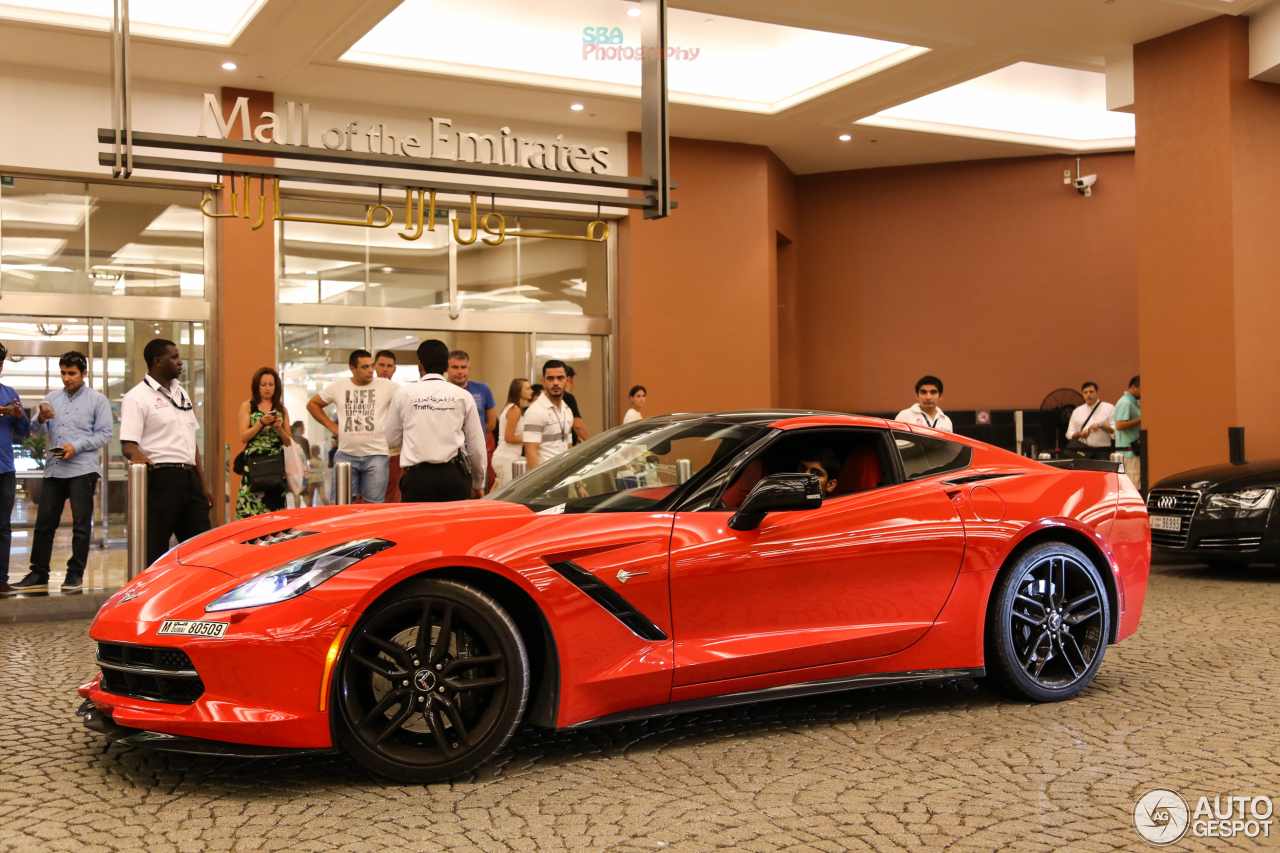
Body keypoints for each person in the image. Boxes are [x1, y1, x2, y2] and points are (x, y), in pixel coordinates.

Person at [7, 352, 112, 594]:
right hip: (54, 470)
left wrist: (76, 447)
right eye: (63, 373)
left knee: (81, 526)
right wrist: (41, 419)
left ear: (84, 373)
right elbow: (34, 431)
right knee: (44, 524)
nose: (67, 378)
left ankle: (74, 574)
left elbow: (105, 434)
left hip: (82, 471)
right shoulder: (52, 398)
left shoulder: (98, 400)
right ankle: (38, 573)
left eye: (72, 373)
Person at [120, 338, 212, 566]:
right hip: (161, 478)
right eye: (174, 357)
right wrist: (140, 459)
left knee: (202, 547)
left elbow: (192, 442)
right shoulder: (137, 396)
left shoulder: (181, 393)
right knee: (155, 547)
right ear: (158, 362)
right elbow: (128, 445)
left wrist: (202, 484)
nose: (181, 362)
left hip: (189, 479)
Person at [386, 340, 486, 502]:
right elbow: (477, 446)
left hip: (417, 478)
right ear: (446, 366)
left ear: (420, 364)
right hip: (454, 476)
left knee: (419, 527)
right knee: (454, 527)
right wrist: (478, 483)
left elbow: (391, 438)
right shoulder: (463, 396)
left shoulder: (403, 394)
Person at [307, 349, 398, 503]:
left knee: (373, 507)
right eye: (365, 367)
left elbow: (409, 402)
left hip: (376, 454)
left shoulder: (387, 386)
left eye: (371, 366)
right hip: (346, 454)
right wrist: (331, 426)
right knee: (340, 505)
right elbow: (313, 404)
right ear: (352, 368)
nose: (371, 370)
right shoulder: (338, 386)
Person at [236, 367, 292, 519]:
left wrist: (279, 428)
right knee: (250, 511)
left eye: (271, 384)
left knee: (275, 513)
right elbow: (243, 437)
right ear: (257, 386)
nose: (267, 388)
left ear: (276, 387)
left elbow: (289, 442)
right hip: (254, 464)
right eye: (263, 384)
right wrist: (261, 422)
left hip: (275, 465)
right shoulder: (248, 406)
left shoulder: (281, 409)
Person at [0, 343, 32, 595]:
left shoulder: (9, 393)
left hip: (4, 470)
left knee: (3, 526)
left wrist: (19, 415)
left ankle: (0, 579)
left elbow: (24, 432)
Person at [524, 361, 574, 469]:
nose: (556, 383)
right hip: (545, 480)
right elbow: (530, 452)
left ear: (567, 380)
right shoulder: (535, 411)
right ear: (543, 382)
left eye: (560, 378)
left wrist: (579, 484)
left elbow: (569, 449)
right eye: (550, 378)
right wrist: (539, 484)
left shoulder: (567, 410)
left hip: (564, 478)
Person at [374, 350, 404, 502]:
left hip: (393, 452)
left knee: (392, 497)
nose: (385, 369)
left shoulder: (400, 392)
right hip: (368, 451)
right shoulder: (366, 390)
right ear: (374, 366)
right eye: (381, 365)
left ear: (394, 369)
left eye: (389, 365)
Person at [492, 378, 532, 489]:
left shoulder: (513, 408)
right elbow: (509, 438)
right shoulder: (514, 409)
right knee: (508, 493)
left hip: (509, 457)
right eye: (528, 388)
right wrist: (529, 438)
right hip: (505, 457)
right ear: (519, 391)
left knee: (502, 490)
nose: (531, 391)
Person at [1066, 382, 1116, 459]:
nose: (1088, 394)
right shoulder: (1077, 411)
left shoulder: (1109, 408)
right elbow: (1069, 433)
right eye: (1085, 392)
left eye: (1091, 392)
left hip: (1102, 452)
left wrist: (1101, 425)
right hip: (1083, 451)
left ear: (1097, 393)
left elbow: (1115, 431)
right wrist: (1080, 434)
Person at [1114, 375, 1142, 490]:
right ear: (1134, 387)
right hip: (1129, 451)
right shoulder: (1126, 403)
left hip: (1134, 450)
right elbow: (1120, 425)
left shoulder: (1134, 403)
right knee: (1134, 484)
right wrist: (1142, 420)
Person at [563, 365, 590, 444]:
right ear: (570, 379)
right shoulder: (568, 397)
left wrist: (580, 439)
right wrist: (592, 443)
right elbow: (578, 425)